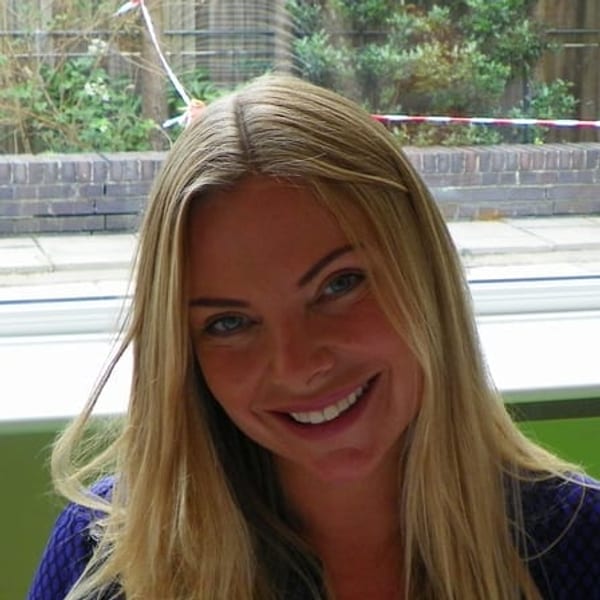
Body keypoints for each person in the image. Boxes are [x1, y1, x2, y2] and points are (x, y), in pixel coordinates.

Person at [29, 74, 599, 600]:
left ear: (425, 271)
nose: (297, 365)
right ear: (182, 354)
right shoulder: (102, 555)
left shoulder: (581, 542)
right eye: (229, 323)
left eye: (339, 285)